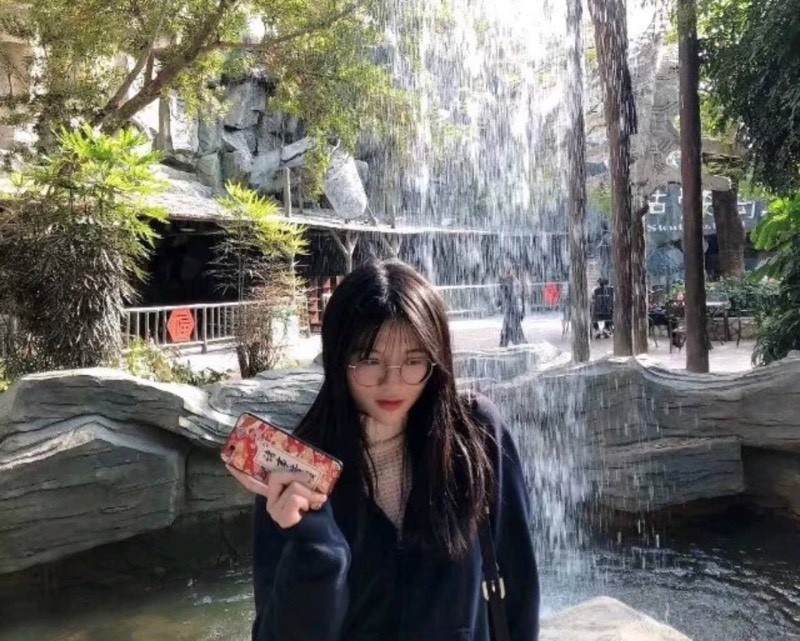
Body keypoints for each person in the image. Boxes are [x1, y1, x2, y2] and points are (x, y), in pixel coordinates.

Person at [226, 259, 540, 641]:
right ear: (338, 357)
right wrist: (315, 547)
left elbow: (519, 585)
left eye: (413, 360)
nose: (393, 382)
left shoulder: (475, 434)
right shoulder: (296, 472)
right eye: (369, 360)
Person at [498, 267, 528, 347]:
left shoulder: (510, 281)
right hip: (512, 312)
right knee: (511, 333)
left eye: (502, 272)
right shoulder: (514, 281)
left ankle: (522, 345)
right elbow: (521, 297)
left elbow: (512, 296)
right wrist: (522, 311)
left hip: (512, 312)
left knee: (511, 333)